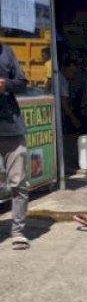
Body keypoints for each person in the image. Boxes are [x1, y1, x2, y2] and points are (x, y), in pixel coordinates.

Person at [0, 41, 30, 250]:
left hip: (11, 127)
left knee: (18, 182)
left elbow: (22, 82)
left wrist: (5, 85)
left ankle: (18, 231)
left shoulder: (7, 53)